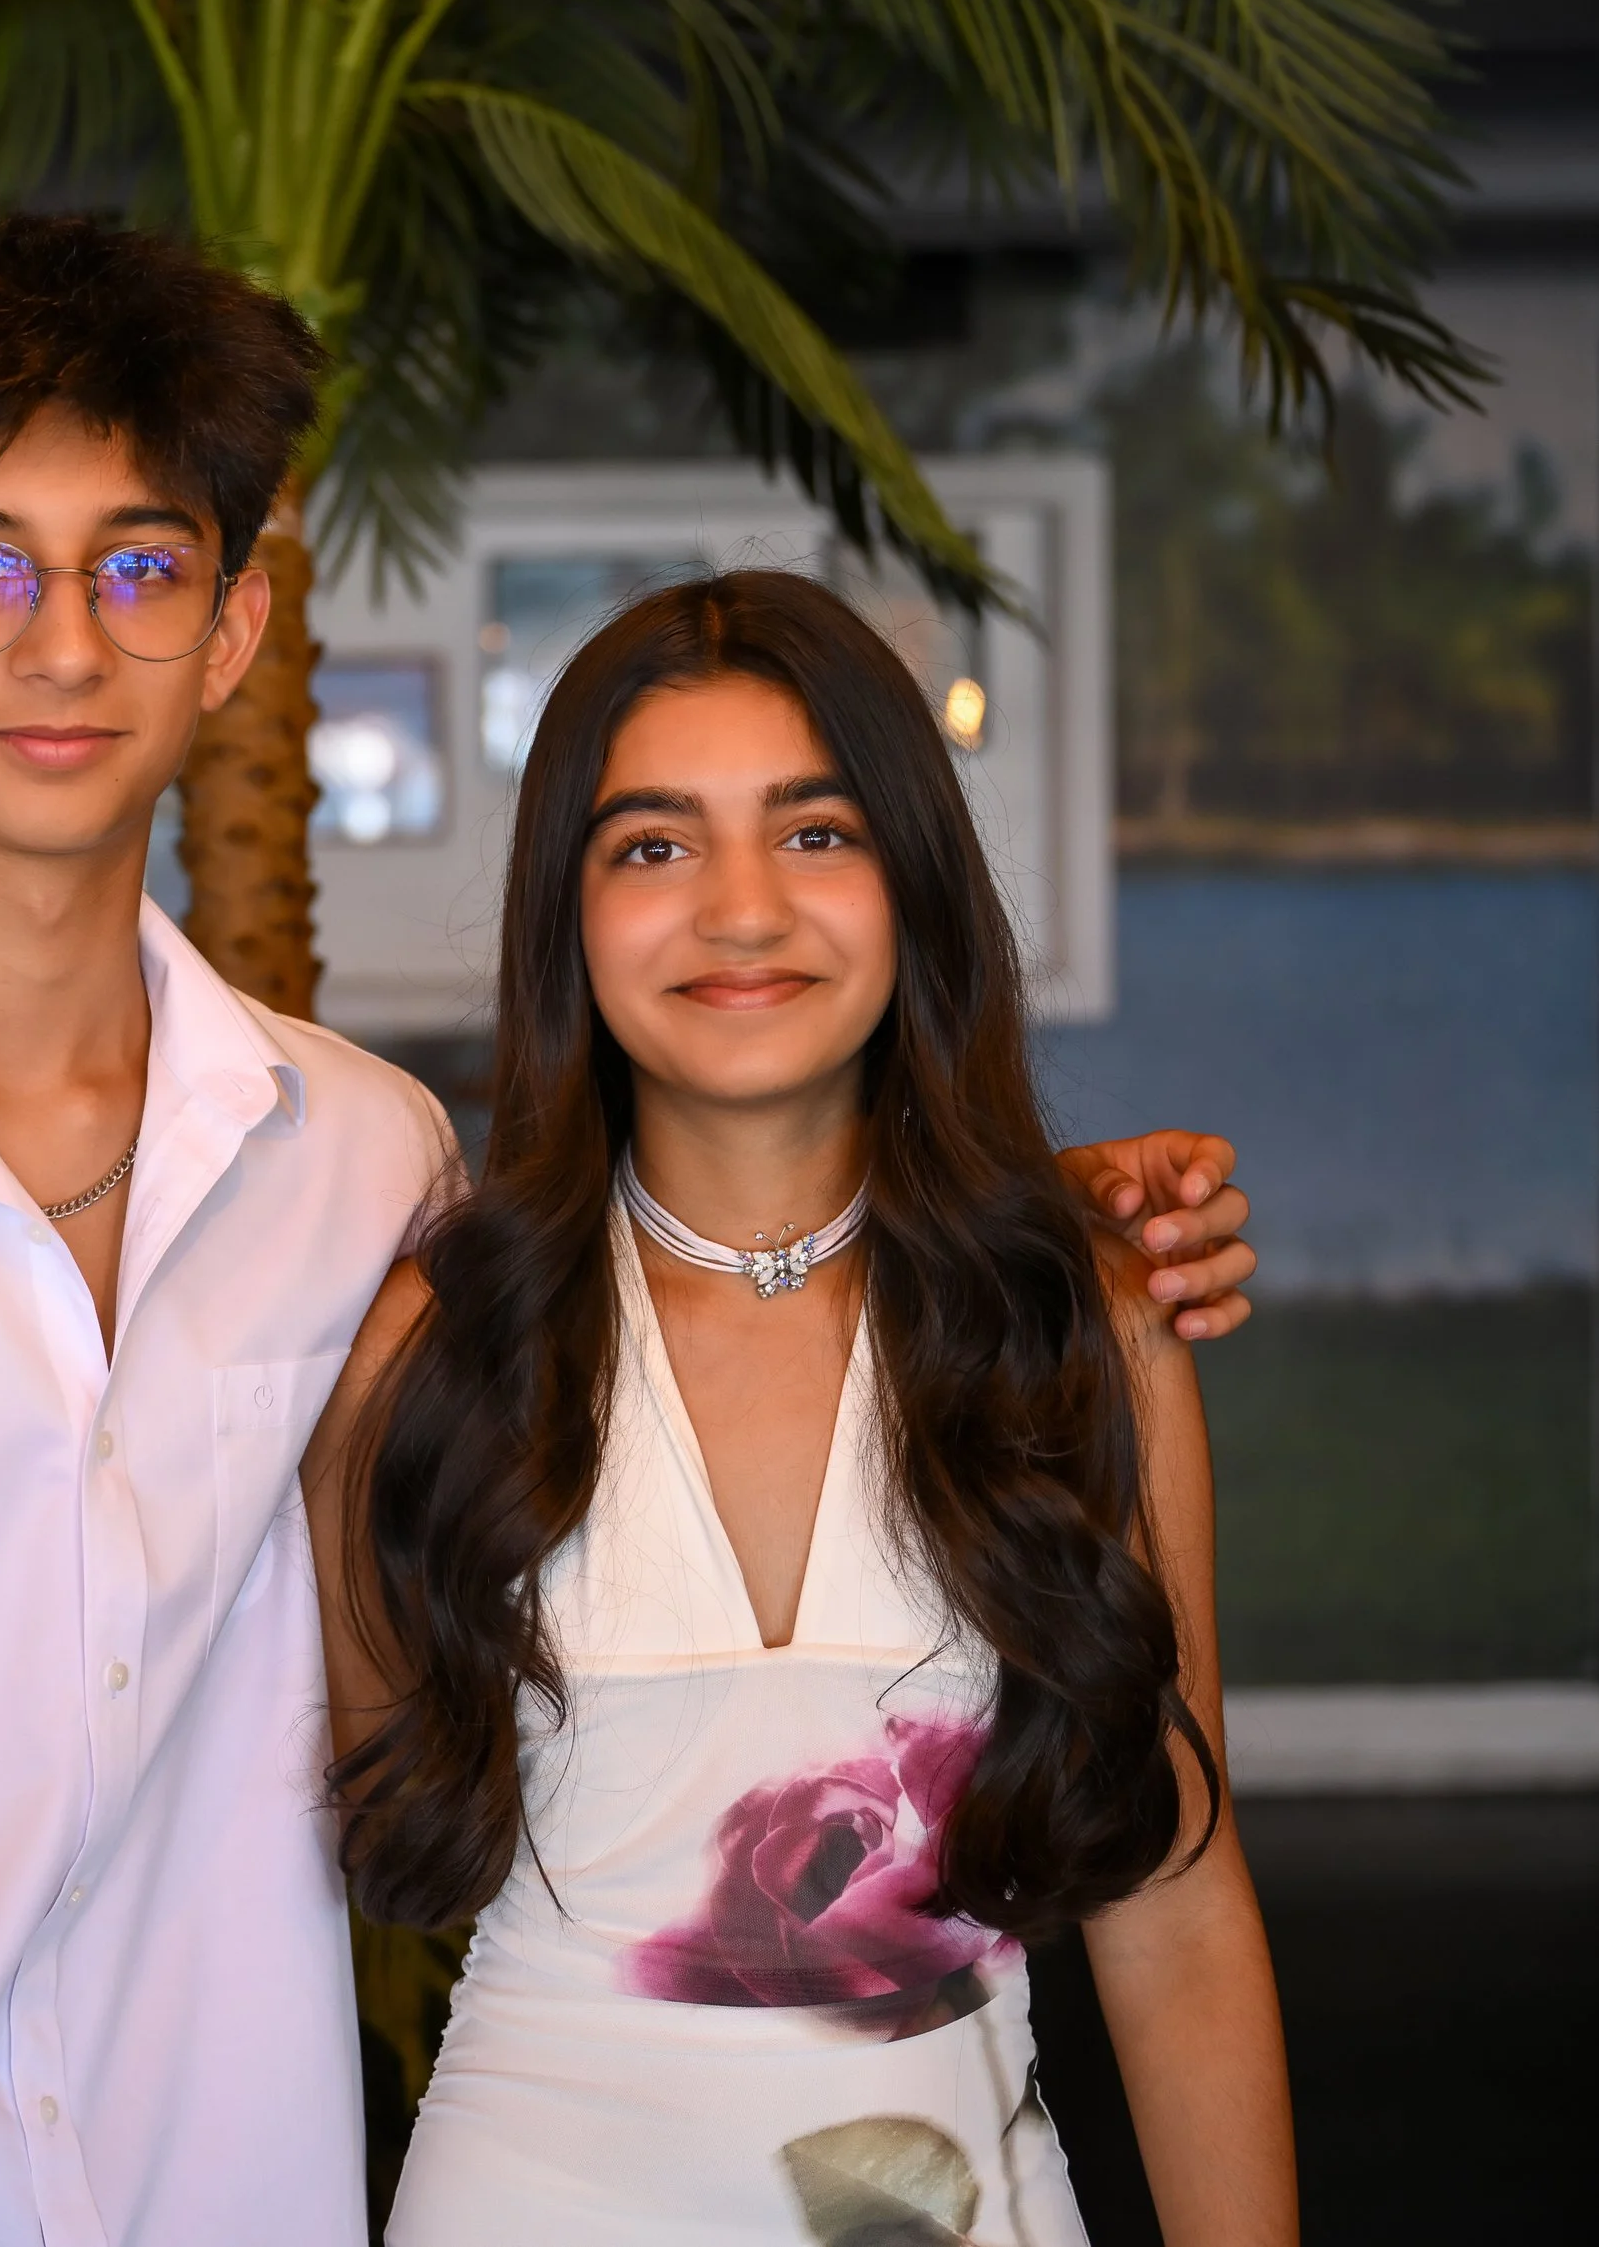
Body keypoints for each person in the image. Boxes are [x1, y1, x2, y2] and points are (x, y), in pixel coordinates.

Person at [0, 218, 1260, 2246]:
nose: (61, 644)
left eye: (136, 566)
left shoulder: (357, 1167)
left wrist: (1068, 1220)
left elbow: (731, 1245)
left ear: (229, 631)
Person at [307, 572, 1294, 2247]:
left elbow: (1178, 1916)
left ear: (917, 883)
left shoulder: (1085, 1330)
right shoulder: (436, 1344)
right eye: (654, 845)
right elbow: (378, 1830)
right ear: (567, 914)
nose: (741, 909)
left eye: (816, 834)